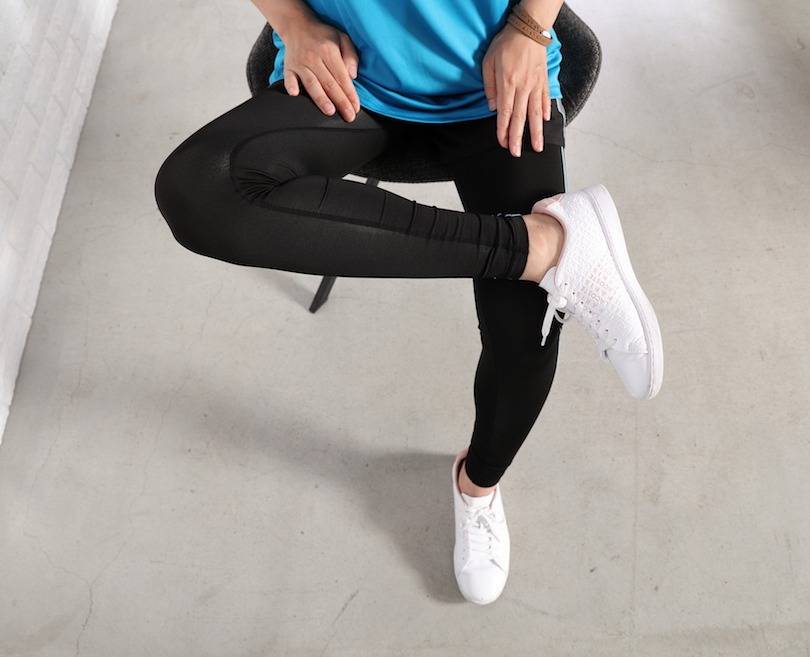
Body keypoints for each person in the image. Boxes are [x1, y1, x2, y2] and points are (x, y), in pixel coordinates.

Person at [154, 0, 663, 605]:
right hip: (353, 74)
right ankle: (548, 246)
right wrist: (292, 22)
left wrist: (530, 28)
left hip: (492, 75)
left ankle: (477, 487)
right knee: (200, 190)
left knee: (524, 339)